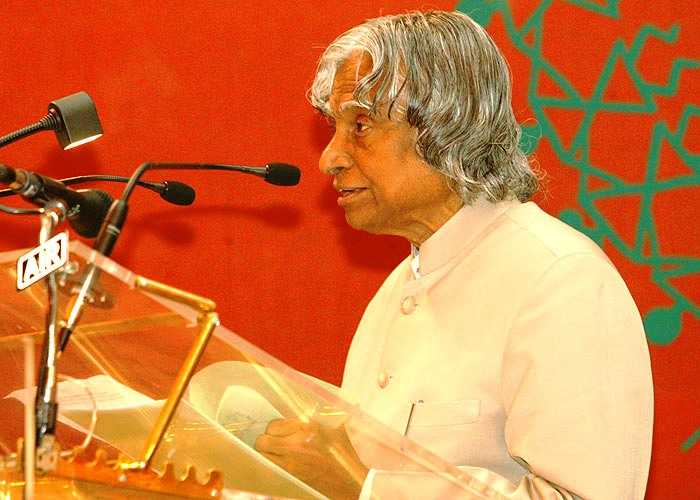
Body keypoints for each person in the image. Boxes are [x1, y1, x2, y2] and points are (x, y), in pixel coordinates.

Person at [256, 10, 653, 499]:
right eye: (334, 128)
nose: (329, 157)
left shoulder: (560, 280)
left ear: (446, 126)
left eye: (360, 125)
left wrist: (361, 485)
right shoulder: (401, 285)